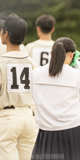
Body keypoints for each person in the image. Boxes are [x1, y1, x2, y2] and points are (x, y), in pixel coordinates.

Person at [31, 37, 80, 160]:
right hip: (74, 131)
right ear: (72, 55)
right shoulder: (79, 75)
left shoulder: (35, 74)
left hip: (47, 132)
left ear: (51, 53)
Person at [0, 13, 37, 160]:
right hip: (28, 116)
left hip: (7, 117)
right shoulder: (31, 62)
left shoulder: (2, 62)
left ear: (6, 34)